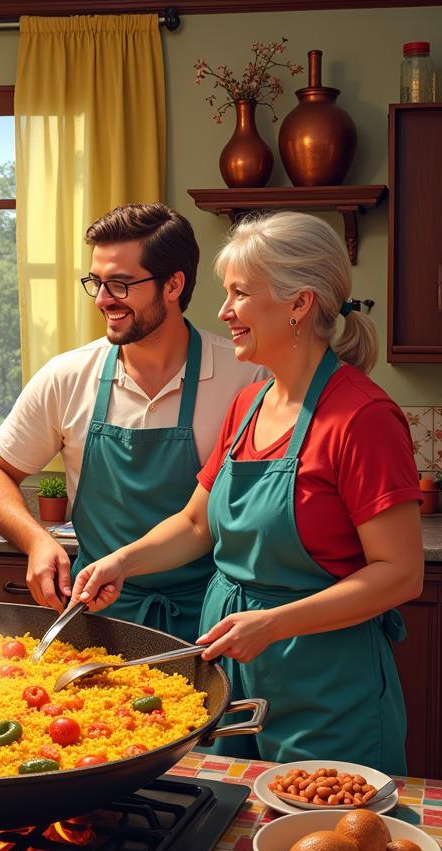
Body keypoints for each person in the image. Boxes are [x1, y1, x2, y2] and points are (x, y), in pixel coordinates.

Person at [73, 212, 422, 773]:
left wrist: (274, 623)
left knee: (325, 846)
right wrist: (122, 560)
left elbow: (400, 572)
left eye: (239, 293)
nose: (223, 311)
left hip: (326, 685)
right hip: (230, 673)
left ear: (298, 305)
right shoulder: (251, 403)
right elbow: (194, 524)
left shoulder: (363, 417)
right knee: (223, 837)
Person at [0, 203, 265, 640]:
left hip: (210, 620)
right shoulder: (68, 376)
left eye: (121, 284)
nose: (103, 299)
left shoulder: (247, 377)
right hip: (99, 615)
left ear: (173, 285)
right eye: (97, 282)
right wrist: (36, 540)